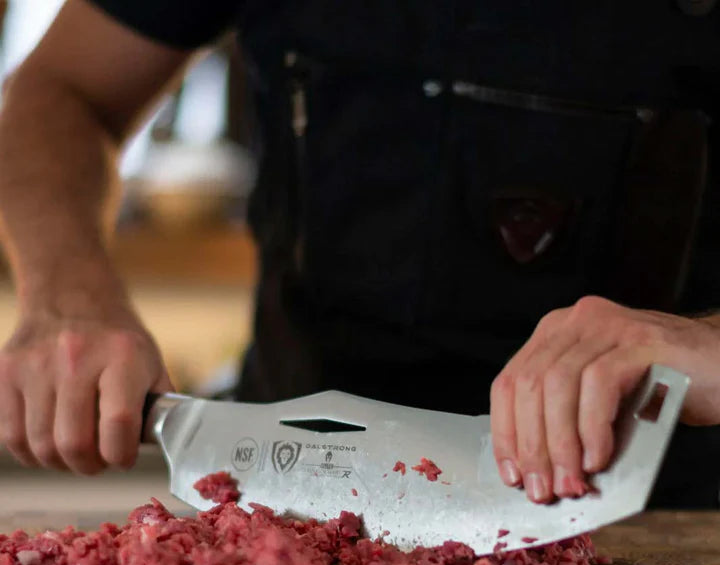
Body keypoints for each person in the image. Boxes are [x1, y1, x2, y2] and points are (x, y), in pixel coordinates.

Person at [0, 0, 719, 508]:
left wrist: (707, 345)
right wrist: (70, 295)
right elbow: (62, 91)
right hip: (283, 494)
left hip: (672, 523)